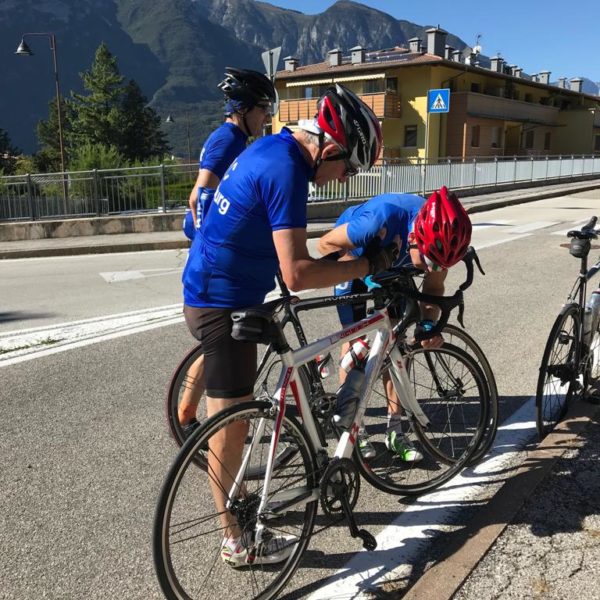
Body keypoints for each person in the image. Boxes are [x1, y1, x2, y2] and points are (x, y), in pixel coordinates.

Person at [182, 84, 393, 566]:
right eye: (348, 169)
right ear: (329, 148)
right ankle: (236, 540)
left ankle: (244, 499)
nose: (342, 180)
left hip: (220, 287)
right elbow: (298, 272)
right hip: (221, 301)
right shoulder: (287, 170)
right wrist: (366, 265)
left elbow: (269, 233)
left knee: (242, 407)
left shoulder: (275, 149)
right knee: (230, 425)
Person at [317, 186, 472, 461]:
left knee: (394, 343)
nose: (431, 270)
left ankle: (395, 431)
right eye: (429, 262)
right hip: (356, 258)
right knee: (356, 342)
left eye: (439, 266)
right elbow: (325, 244)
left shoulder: (440, 242)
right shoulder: (380, 220)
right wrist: (365, 271)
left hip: (392, 267)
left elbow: (434, 289)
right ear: (414, 238)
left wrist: (428, 325)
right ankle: (353, 428)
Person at [178, 68, 276, 434]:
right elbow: (199, 195)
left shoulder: (230, 136)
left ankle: (186, 411)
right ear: (244, 108)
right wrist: (213, 243)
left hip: (216, 254)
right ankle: (199, 418)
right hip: (215, 260)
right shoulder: (228, 140)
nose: (266, 117)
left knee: (213, 347)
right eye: (263, 109)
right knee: (221, 342)